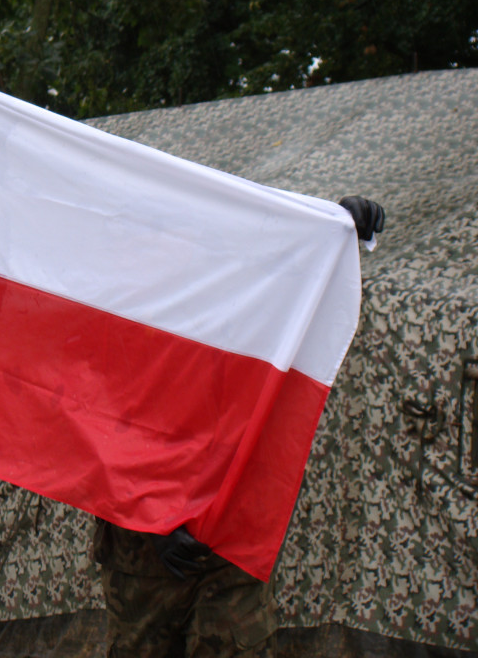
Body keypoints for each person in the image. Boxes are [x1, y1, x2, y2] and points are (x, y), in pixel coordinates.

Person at [94, 196, 386, 658]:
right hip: (144, 557)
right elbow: (91, 429)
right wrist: (152, 518)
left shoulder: (235, 306)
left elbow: (298, 290)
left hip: (230, 544)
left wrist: (341, 224)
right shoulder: (114, 322)